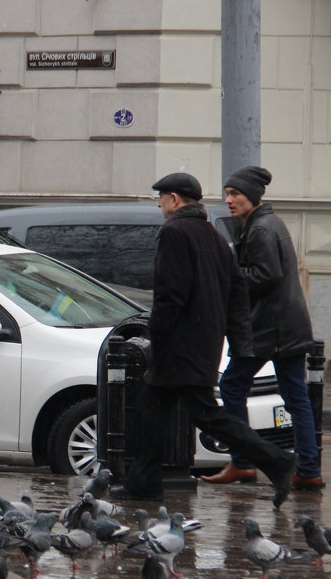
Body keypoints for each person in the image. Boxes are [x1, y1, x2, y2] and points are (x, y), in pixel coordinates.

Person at [111, 172, 296, 507]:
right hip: (203, 342)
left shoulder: (174, 231)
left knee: (206, 415)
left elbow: (171, 293)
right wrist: (238, 341)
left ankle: (277, 461)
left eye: (161, 198)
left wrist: (157, 334)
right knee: (151, 410)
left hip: (180, 344)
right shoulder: (211, 233)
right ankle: (145, 482)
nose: (159, 204)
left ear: (175, 199)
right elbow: (237, 290)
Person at [202, 166, 322, 489]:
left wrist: (229, 276)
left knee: (231, 386)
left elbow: (266, 276)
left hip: (272, 329)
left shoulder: (261, 229)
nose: (229, 200)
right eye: (227, 193)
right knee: (296, 398)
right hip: (287, 327)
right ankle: (309, 469)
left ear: (252, 197)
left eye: (235, 194)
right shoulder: (266, 223)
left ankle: (243, 462)